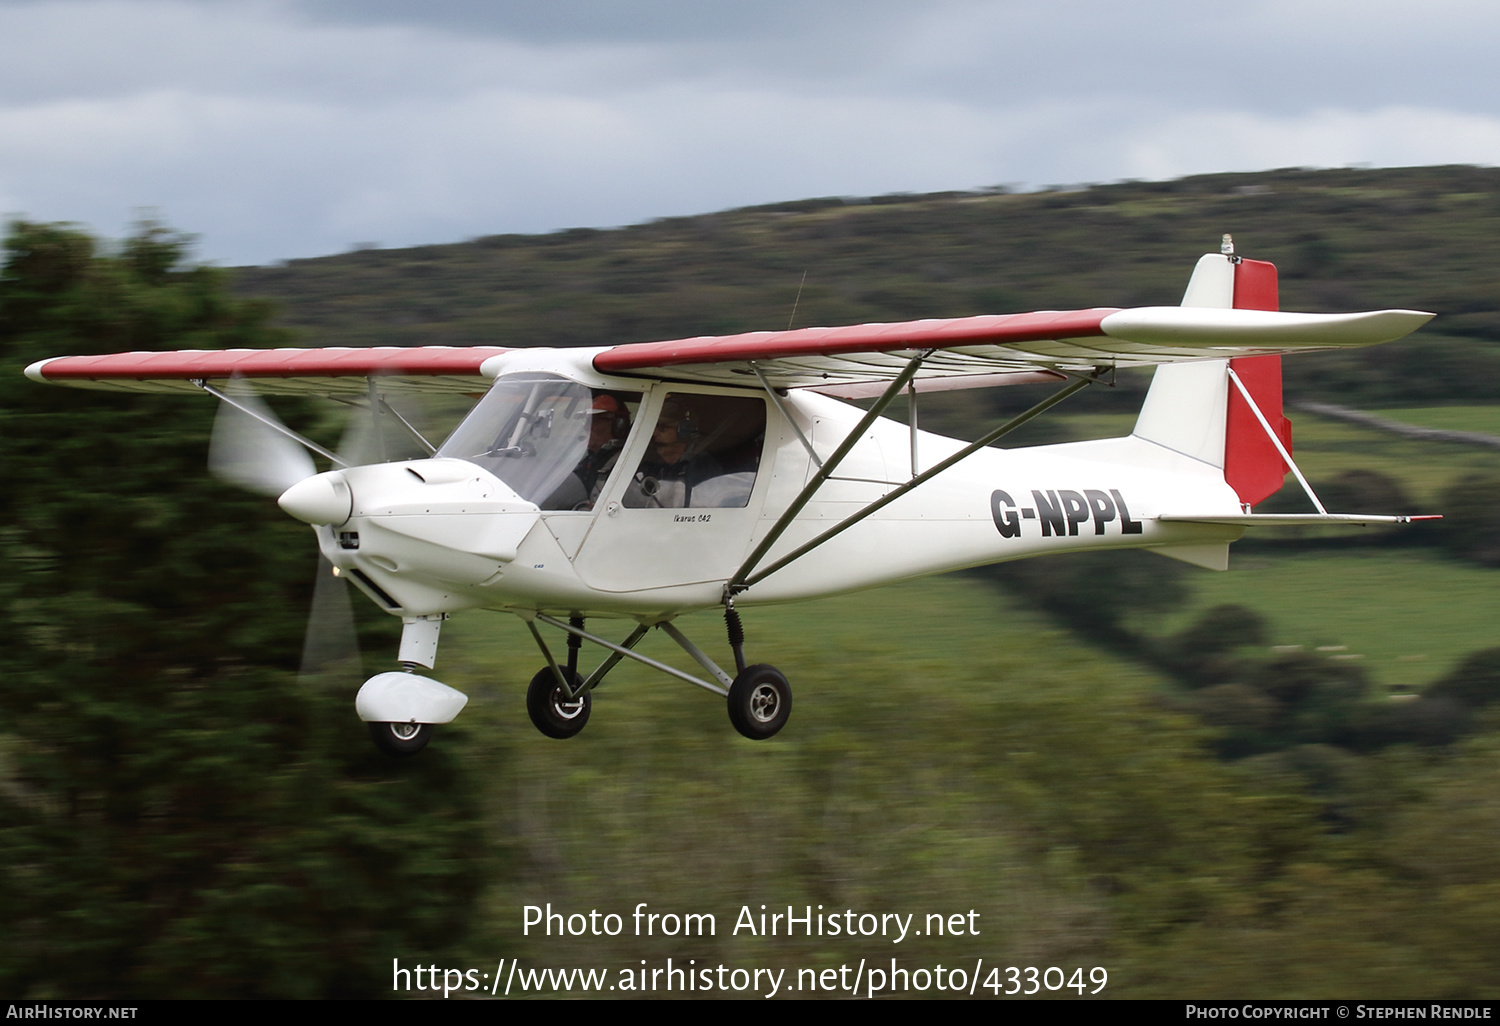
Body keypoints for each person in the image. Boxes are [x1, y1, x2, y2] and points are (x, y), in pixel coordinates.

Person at [627, 400, 723, 508]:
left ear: (685, 430)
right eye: (652, 427)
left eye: (661, 427)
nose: (654, 434)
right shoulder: (651, 465)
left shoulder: (701, 466)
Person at [543, 393, 630, 510]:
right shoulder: (584, 460)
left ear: (619, 425)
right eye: (587, 421)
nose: (588, 427)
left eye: (596, 421)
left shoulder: (624, 464)